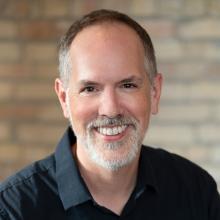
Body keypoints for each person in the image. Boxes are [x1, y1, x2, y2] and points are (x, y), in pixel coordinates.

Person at [0, 9, 219, 220]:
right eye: (90, 89)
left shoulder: (196, 192)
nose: (111, 109)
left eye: (127, 85)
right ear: (64, 99)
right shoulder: (13, 210)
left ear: (154, 92)